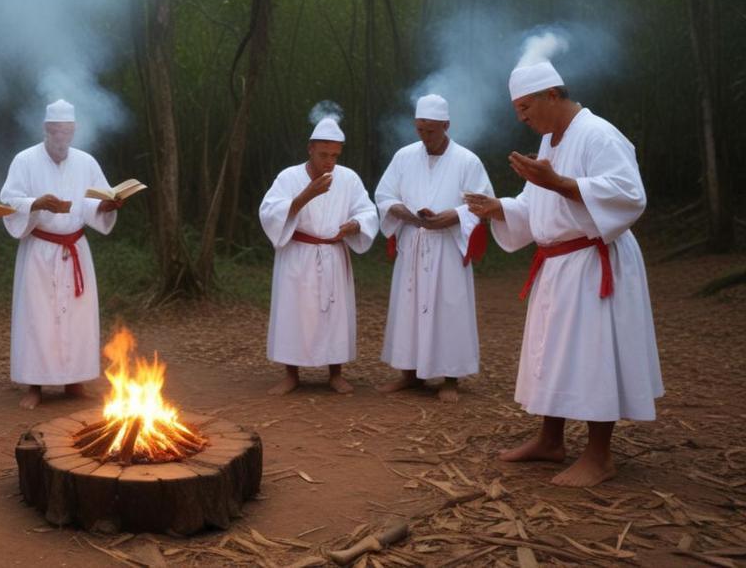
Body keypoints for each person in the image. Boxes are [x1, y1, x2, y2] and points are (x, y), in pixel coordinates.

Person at [465, 60, 663, 487]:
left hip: (595, 261)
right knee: (551, 353)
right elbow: (536, 206)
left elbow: (630, 196)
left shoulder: (598, 134)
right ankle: (550, 440)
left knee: (595, 356)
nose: (522, 117)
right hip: (558, 265)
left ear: (552, 95)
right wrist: (499, 206)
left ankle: (599, 455)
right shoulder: (552, 143)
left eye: (526, 106)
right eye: (517, 109)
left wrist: (559, 183)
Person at [0, 99, 124, 410]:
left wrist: (107, 206)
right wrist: (36, 203)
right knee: (37, 317)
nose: (62, 139)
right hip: (40, 250)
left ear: (74, 130)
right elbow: (9, 200)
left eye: (68, 132)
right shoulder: (24, 160)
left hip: (76, 247)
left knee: (78, 318)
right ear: (46, 129)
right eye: (56, 132)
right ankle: (34, 384)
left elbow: (97, 198)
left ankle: (74, 380)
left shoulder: (86, 162)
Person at [374, 94, 493, 402]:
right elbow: (385, 194)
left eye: (431, 130)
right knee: (408, 308)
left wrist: (451, 216)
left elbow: (482, 203)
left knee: (449, 308)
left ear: (446, 125)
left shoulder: (467, 160)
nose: (424, 137)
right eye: (420, 130)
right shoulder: (404, 157)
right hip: (413, 243)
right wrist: (405, 213)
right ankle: (409, 374)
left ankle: (450, 377)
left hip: (448, 248)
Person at [259, 114, 377, 396]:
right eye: (324, 154)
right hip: (298, 254)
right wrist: (305, 196)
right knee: (293, 313)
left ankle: (335, 373)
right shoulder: (289, 177)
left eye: (335, 155)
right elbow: (268, 211)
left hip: (333, 254)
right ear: (310, 148)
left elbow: (367, 210)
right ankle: (291, 374)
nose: (329, 162)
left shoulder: (348, 178)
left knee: (335, 315)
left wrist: (355, 225)